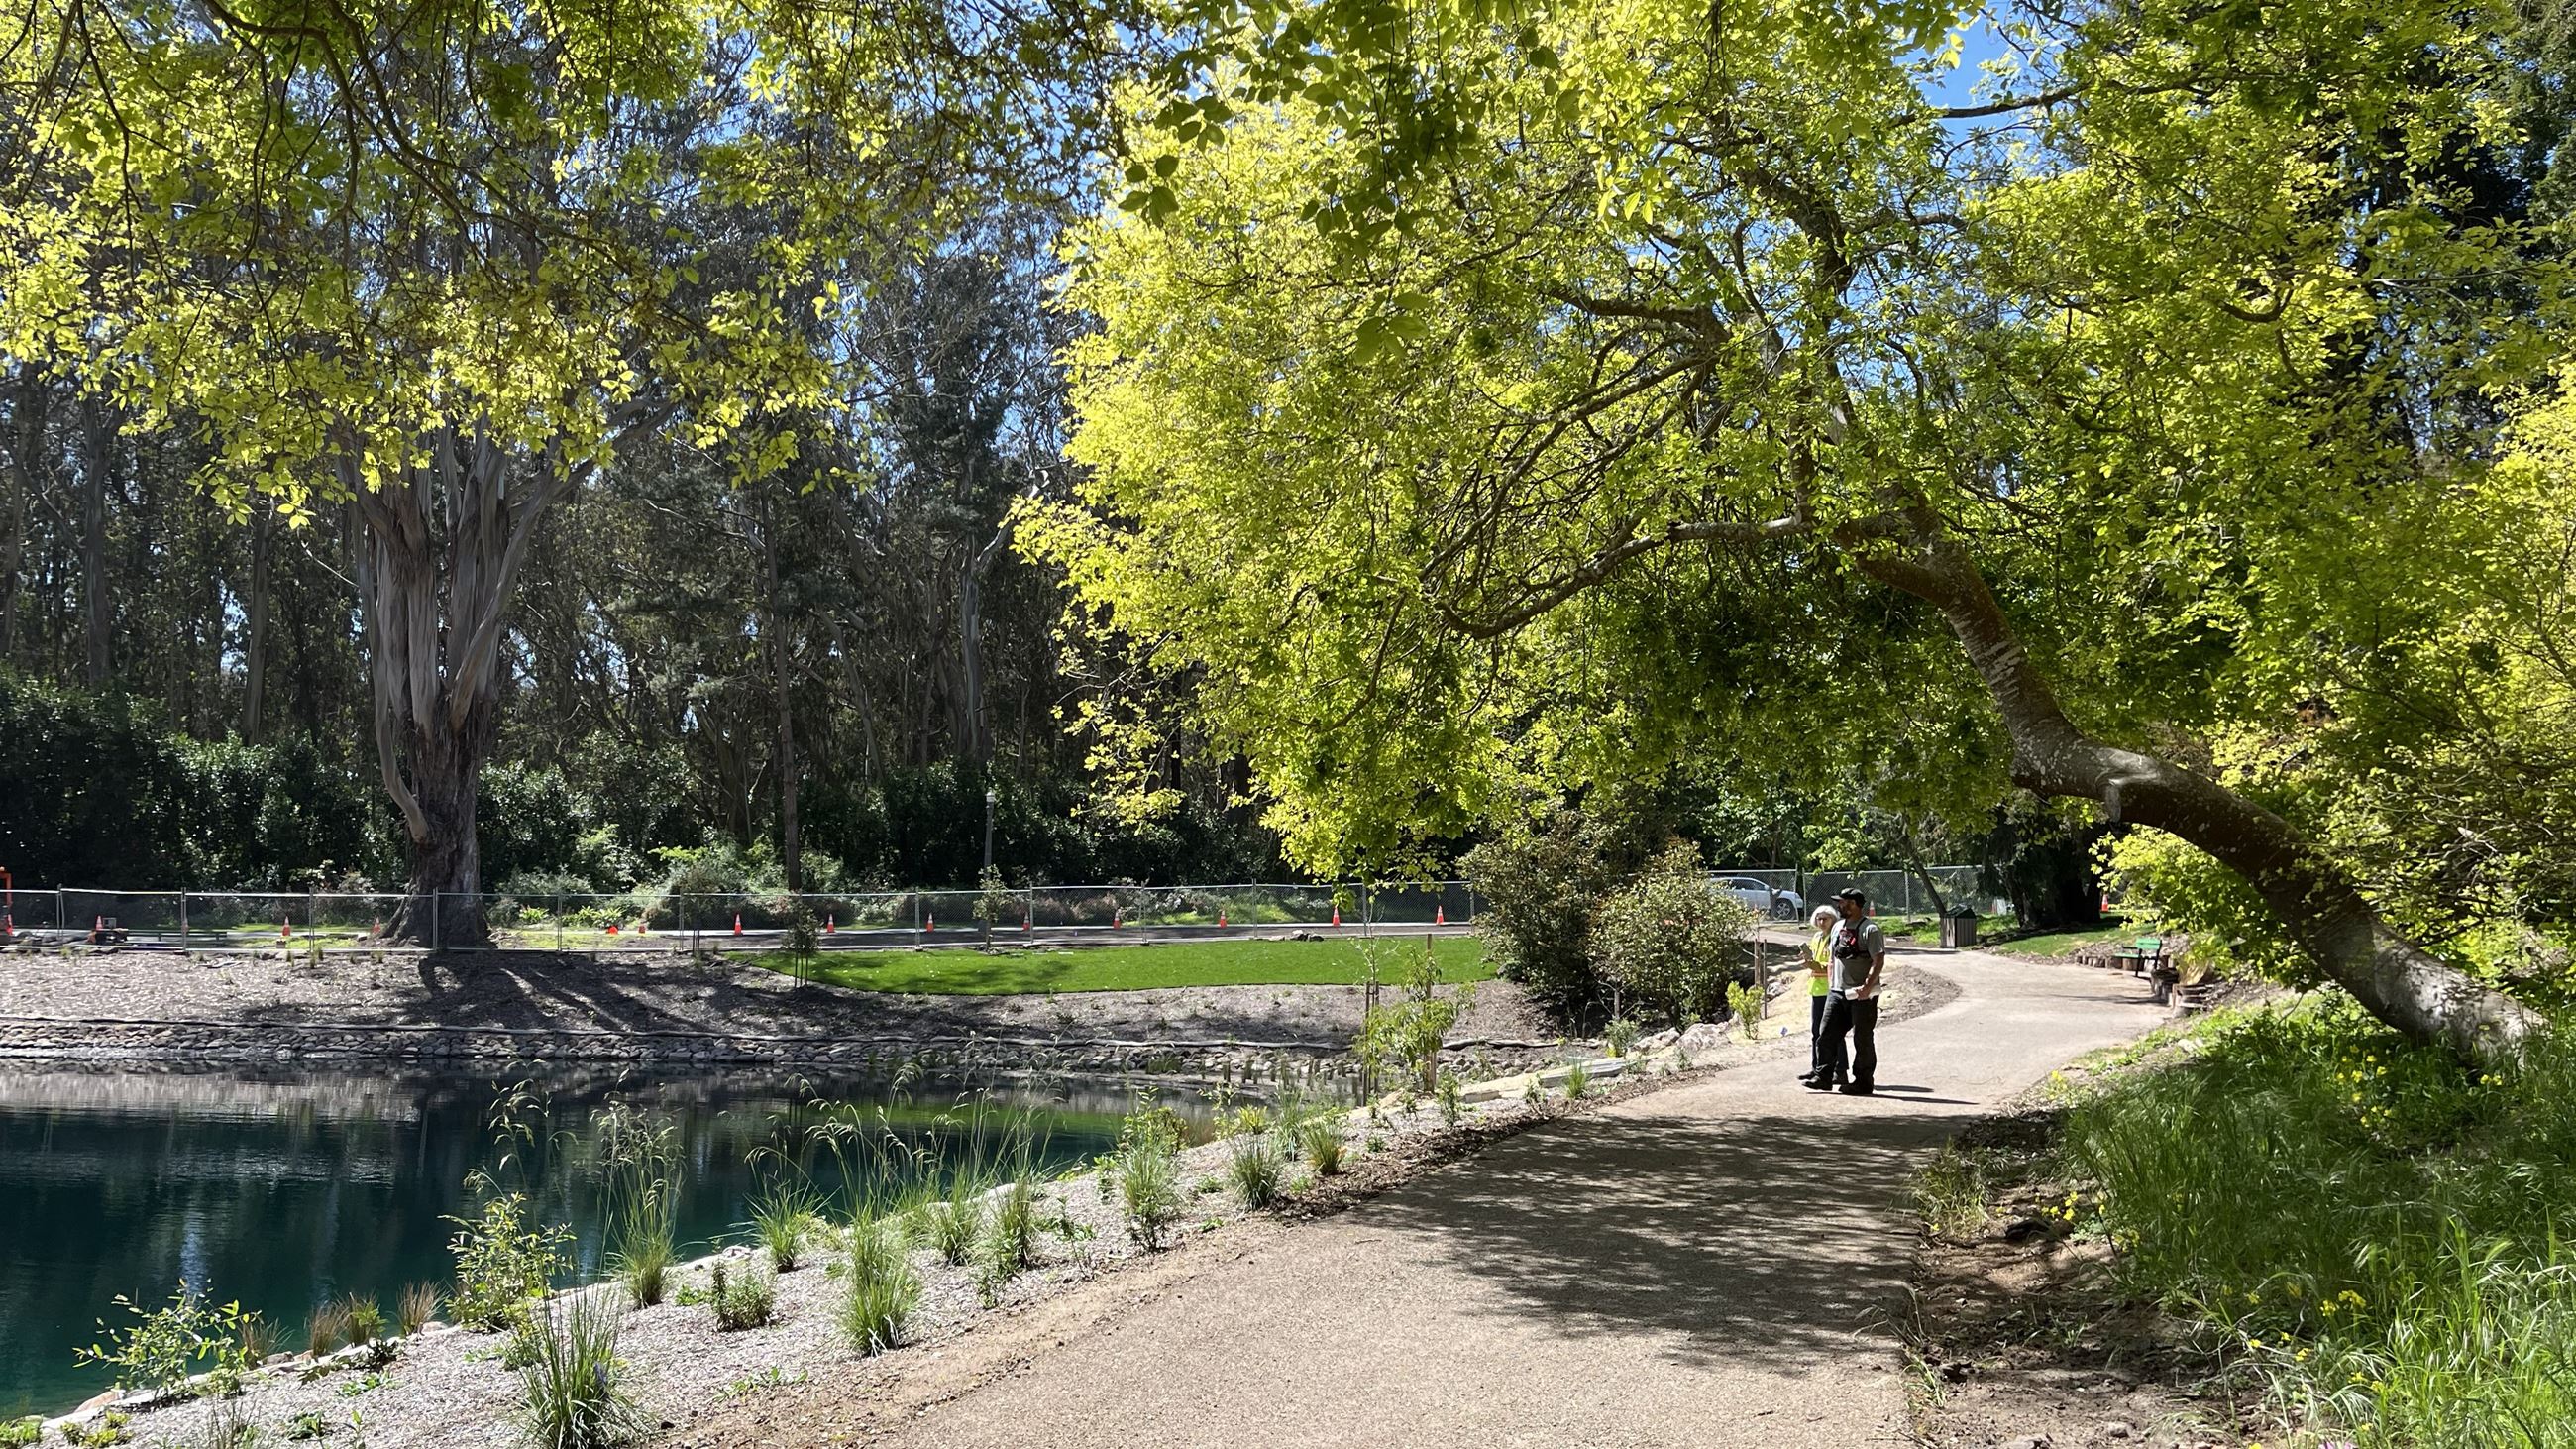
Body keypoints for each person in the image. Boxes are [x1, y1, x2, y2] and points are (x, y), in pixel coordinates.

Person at [1809, 888, 1885, 1096]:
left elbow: (1878, 960)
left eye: (1842, 902)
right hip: (1837, 992)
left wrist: (1867, 987)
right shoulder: (1837, 928)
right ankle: (1823, 1077)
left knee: (1862, 1038)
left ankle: (1862, 1082)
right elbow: (1834, 957)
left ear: (1853, 904)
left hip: (1862, 994)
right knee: (1826, 1034)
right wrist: (1833, 982)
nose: (1839, 906)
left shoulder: (1870, 930)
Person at [1797, 905, 1837, 1087]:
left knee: (1830, 1032)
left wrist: (1812, 965)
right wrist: (1807, 960)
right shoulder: (1816, 937)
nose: (1822, 922)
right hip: (1816, 989)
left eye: (1826, 919)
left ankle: (1837, 1070)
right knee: (1816, 1033)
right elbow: (1814, 960)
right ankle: (1817, 1068)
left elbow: (1827, 965)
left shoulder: (1833, 938)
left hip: (1829, 989)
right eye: (1819, 919)